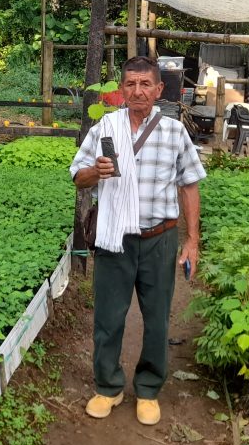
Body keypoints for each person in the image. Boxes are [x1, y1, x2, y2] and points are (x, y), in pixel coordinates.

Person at [69, 56, 206, 426]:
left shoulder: (174, 132)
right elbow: (77, 177)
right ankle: (108, 386)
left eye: (146, 84)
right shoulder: (105, 128)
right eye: (130, 84)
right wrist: (93, 172)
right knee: (109, 317)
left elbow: (189, 185)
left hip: (159, 239)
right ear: (121, 89)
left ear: (159, 90)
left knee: (157, 318)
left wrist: (191, 240)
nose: (138, 91)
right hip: (116, 237)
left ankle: (148, 389)